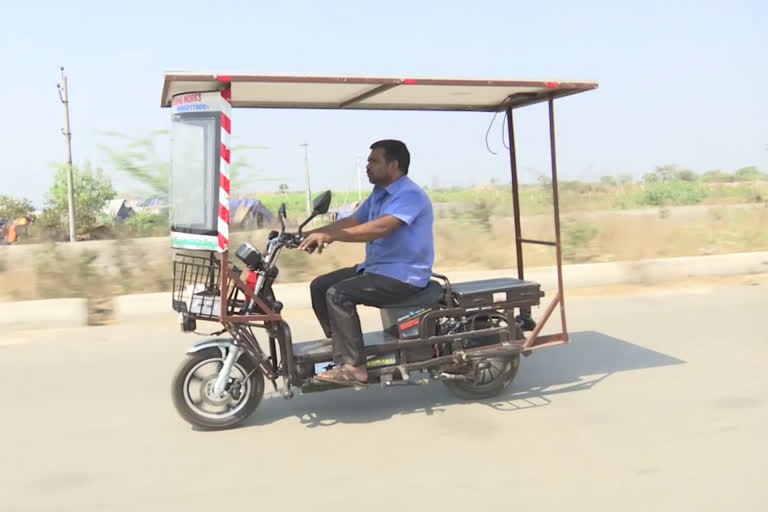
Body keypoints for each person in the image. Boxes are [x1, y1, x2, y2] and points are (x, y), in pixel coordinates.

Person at [298, 139, 434, 386]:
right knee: (319, 286)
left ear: (393, 165)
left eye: (374, 161)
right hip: (377, 269)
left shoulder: (410, 195)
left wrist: (331, 236)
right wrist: (312, 233)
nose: (367, 166)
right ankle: (340, 347)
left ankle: (355, 367)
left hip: (403, 276)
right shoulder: (379, 194)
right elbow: (352, 222)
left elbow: (380, 228)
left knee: (338, 294)